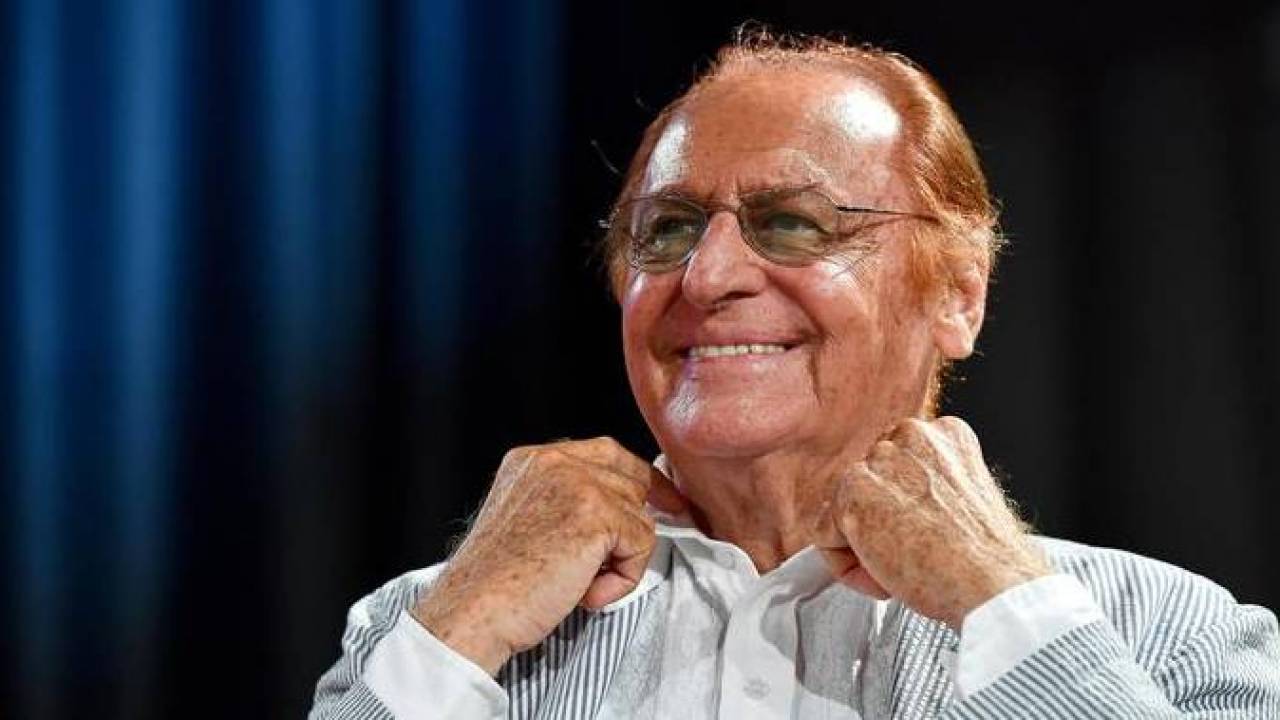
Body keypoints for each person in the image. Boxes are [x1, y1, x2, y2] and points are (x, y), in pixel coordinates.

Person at [309, 30, 1280, 719]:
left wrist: (1002, 601)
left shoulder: (1173, 635)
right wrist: (464, 623)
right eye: (667, 229)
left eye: (792, 223)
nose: (707, 276)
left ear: (957, 297)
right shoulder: (427, 626)